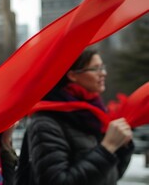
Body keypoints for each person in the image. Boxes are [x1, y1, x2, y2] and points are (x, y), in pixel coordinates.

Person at [16, 49, 134, 185]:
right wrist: (107, 148)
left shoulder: (94, 115)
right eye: (95, 69)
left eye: (102, 67)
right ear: (72, 75)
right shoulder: (46, 122)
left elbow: (108, 177)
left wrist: (122, 148)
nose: (103, 73)